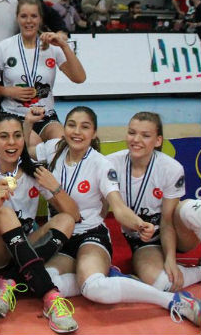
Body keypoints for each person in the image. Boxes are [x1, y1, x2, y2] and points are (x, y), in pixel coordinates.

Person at [25, 106, 201, 328]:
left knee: (95, 288)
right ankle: (107, 276)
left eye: (85, 127)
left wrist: (138, 224)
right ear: (64, 128)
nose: (77, 131)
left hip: (91, 235)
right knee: (39, 280)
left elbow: (117, 207)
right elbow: (22, 150)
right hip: (62, 237)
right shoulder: (53, 148)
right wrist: (28, 124)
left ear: (94, 133)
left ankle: (173, 301)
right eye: (71, 125)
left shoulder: (102, 164)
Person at [0, 113, 79, 333]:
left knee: (66, 220)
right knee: (4, 213)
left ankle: (8, 282)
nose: (11, 142)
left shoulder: (34, 171)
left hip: (23, 249)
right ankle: (50, 297)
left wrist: (54, 187)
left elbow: (74, 215)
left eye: (17, 136)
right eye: (4, 136)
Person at [107, 112, 201, 291]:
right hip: (143, 241)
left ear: (158, 141)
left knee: (190, 210)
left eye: (145, 135)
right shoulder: (110, 164)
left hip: (176, 232)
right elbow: (112, 210)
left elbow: (167, 221)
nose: (136, 140)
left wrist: (170, 259)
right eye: (132, 133)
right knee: (160, 283)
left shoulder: (171, 168)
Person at [0, 0, 85, 143]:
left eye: (34, 16)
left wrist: (64, 45)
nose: (28, 21)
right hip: (14, 116)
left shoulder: (53, 47)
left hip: (46, 116)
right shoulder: (4, 47)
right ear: (17, 18)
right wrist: (9, 91)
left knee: (62, 143)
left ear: (41, 19)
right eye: (24, 16)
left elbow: (79, 78)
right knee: (34, 145)